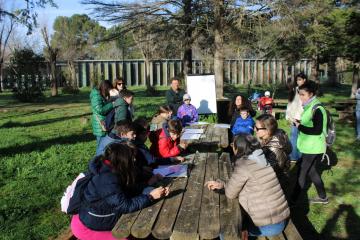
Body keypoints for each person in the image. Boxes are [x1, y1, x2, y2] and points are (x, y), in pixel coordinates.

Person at [71, 143, 169, 240]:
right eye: (131, 158)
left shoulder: (111, 170)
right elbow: (125, 206)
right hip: (88, 226)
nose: (134, 160)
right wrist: (150, 196)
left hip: (99, 216)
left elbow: (127, 190)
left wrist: (148, 183)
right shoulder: (106, 179)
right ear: (121, 160)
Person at [205, 134, 289, 237]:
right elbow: (245, 184)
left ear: (238, 148)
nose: (232, 147)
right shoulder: (260, 159)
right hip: (279, 220)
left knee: (226, 232)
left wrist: (224, 186)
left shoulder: (243, 165)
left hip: (268, 226)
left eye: (233, 145)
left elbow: (230, 194)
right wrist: (222, 184)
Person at [291, 80, 329, 204]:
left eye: (303, 95)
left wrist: (299, 126)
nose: (300, 97)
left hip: (313, 147)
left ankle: (292, 201)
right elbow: (310, 123)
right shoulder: (309, 106)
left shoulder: (318, 108)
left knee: (302, 172)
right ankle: (323, 197)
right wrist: (299, 122)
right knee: (312, 172)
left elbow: (317, 130)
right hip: (309, 146)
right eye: (299, 94)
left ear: (311, 94)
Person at [255, 114, 292, 193]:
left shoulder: (274, 148)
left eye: (257, 128)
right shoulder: (269, 137)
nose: (255, 130)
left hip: (277, 183)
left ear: (267, 130)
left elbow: (274, 169)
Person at [286, 72, 307, 161]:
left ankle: (301, 156)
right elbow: (290, 104)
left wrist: (300, 118)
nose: (298, 81)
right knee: (294, 136)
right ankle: (294, 156)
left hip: (303, 117)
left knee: (303, 137)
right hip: (295, 117)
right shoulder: (295, 90)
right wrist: (289, 117)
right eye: (297, 80)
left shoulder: (307, 90)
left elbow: (304, 105)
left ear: (304, 80)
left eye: (300, 80)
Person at [90, 80, 117, 150]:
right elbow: (100, 110)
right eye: (109, 90)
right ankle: (98, 160)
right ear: (105, 88)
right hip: (100, 125)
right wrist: (112, 104)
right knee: (101, 147)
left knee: (106, 147)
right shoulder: (96, 95)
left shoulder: (102, 94)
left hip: (105, 123)